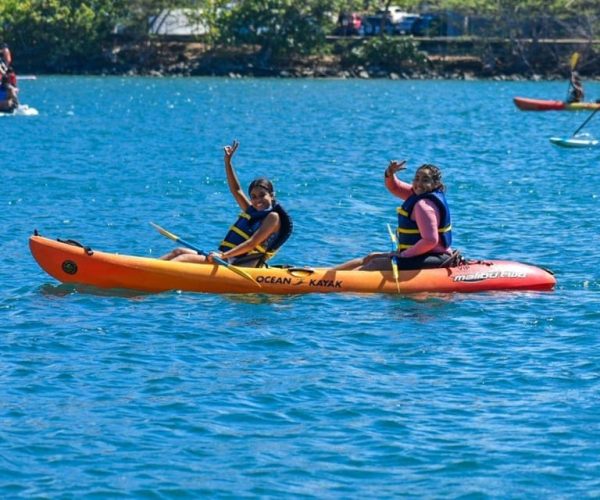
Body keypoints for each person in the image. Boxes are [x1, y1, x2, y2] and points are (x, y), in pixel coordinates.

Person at [161, 140, 293, 267]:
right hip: (228, 259)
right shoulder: (252, 212)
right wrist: (228, 162)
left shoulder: (273, 217)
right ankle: (144, 270)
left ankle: (152, 274)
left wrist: (223, 256)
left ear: (272, 195)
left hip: (239, 264)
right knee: (178, 251)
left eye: (262, 195)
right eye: (253, 197)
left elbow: (252, 244)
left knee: (183, 258)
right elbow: (236, 190)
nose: (258, 200)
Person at [334, 160, 454, 271]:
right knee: (371, 257)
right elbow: (395, 187)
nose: (419, 183)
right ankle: (325, 275)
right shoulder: (418, 194)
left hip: (432, 256)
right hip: (421, 253)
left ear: (435, 184)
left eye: (425, 180)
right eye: (416, 178)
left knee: (375, 264)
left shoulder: (423, 205)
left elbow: (430, 240)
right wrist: (389, 174)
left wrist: (403, 255)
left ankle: (336, 282)